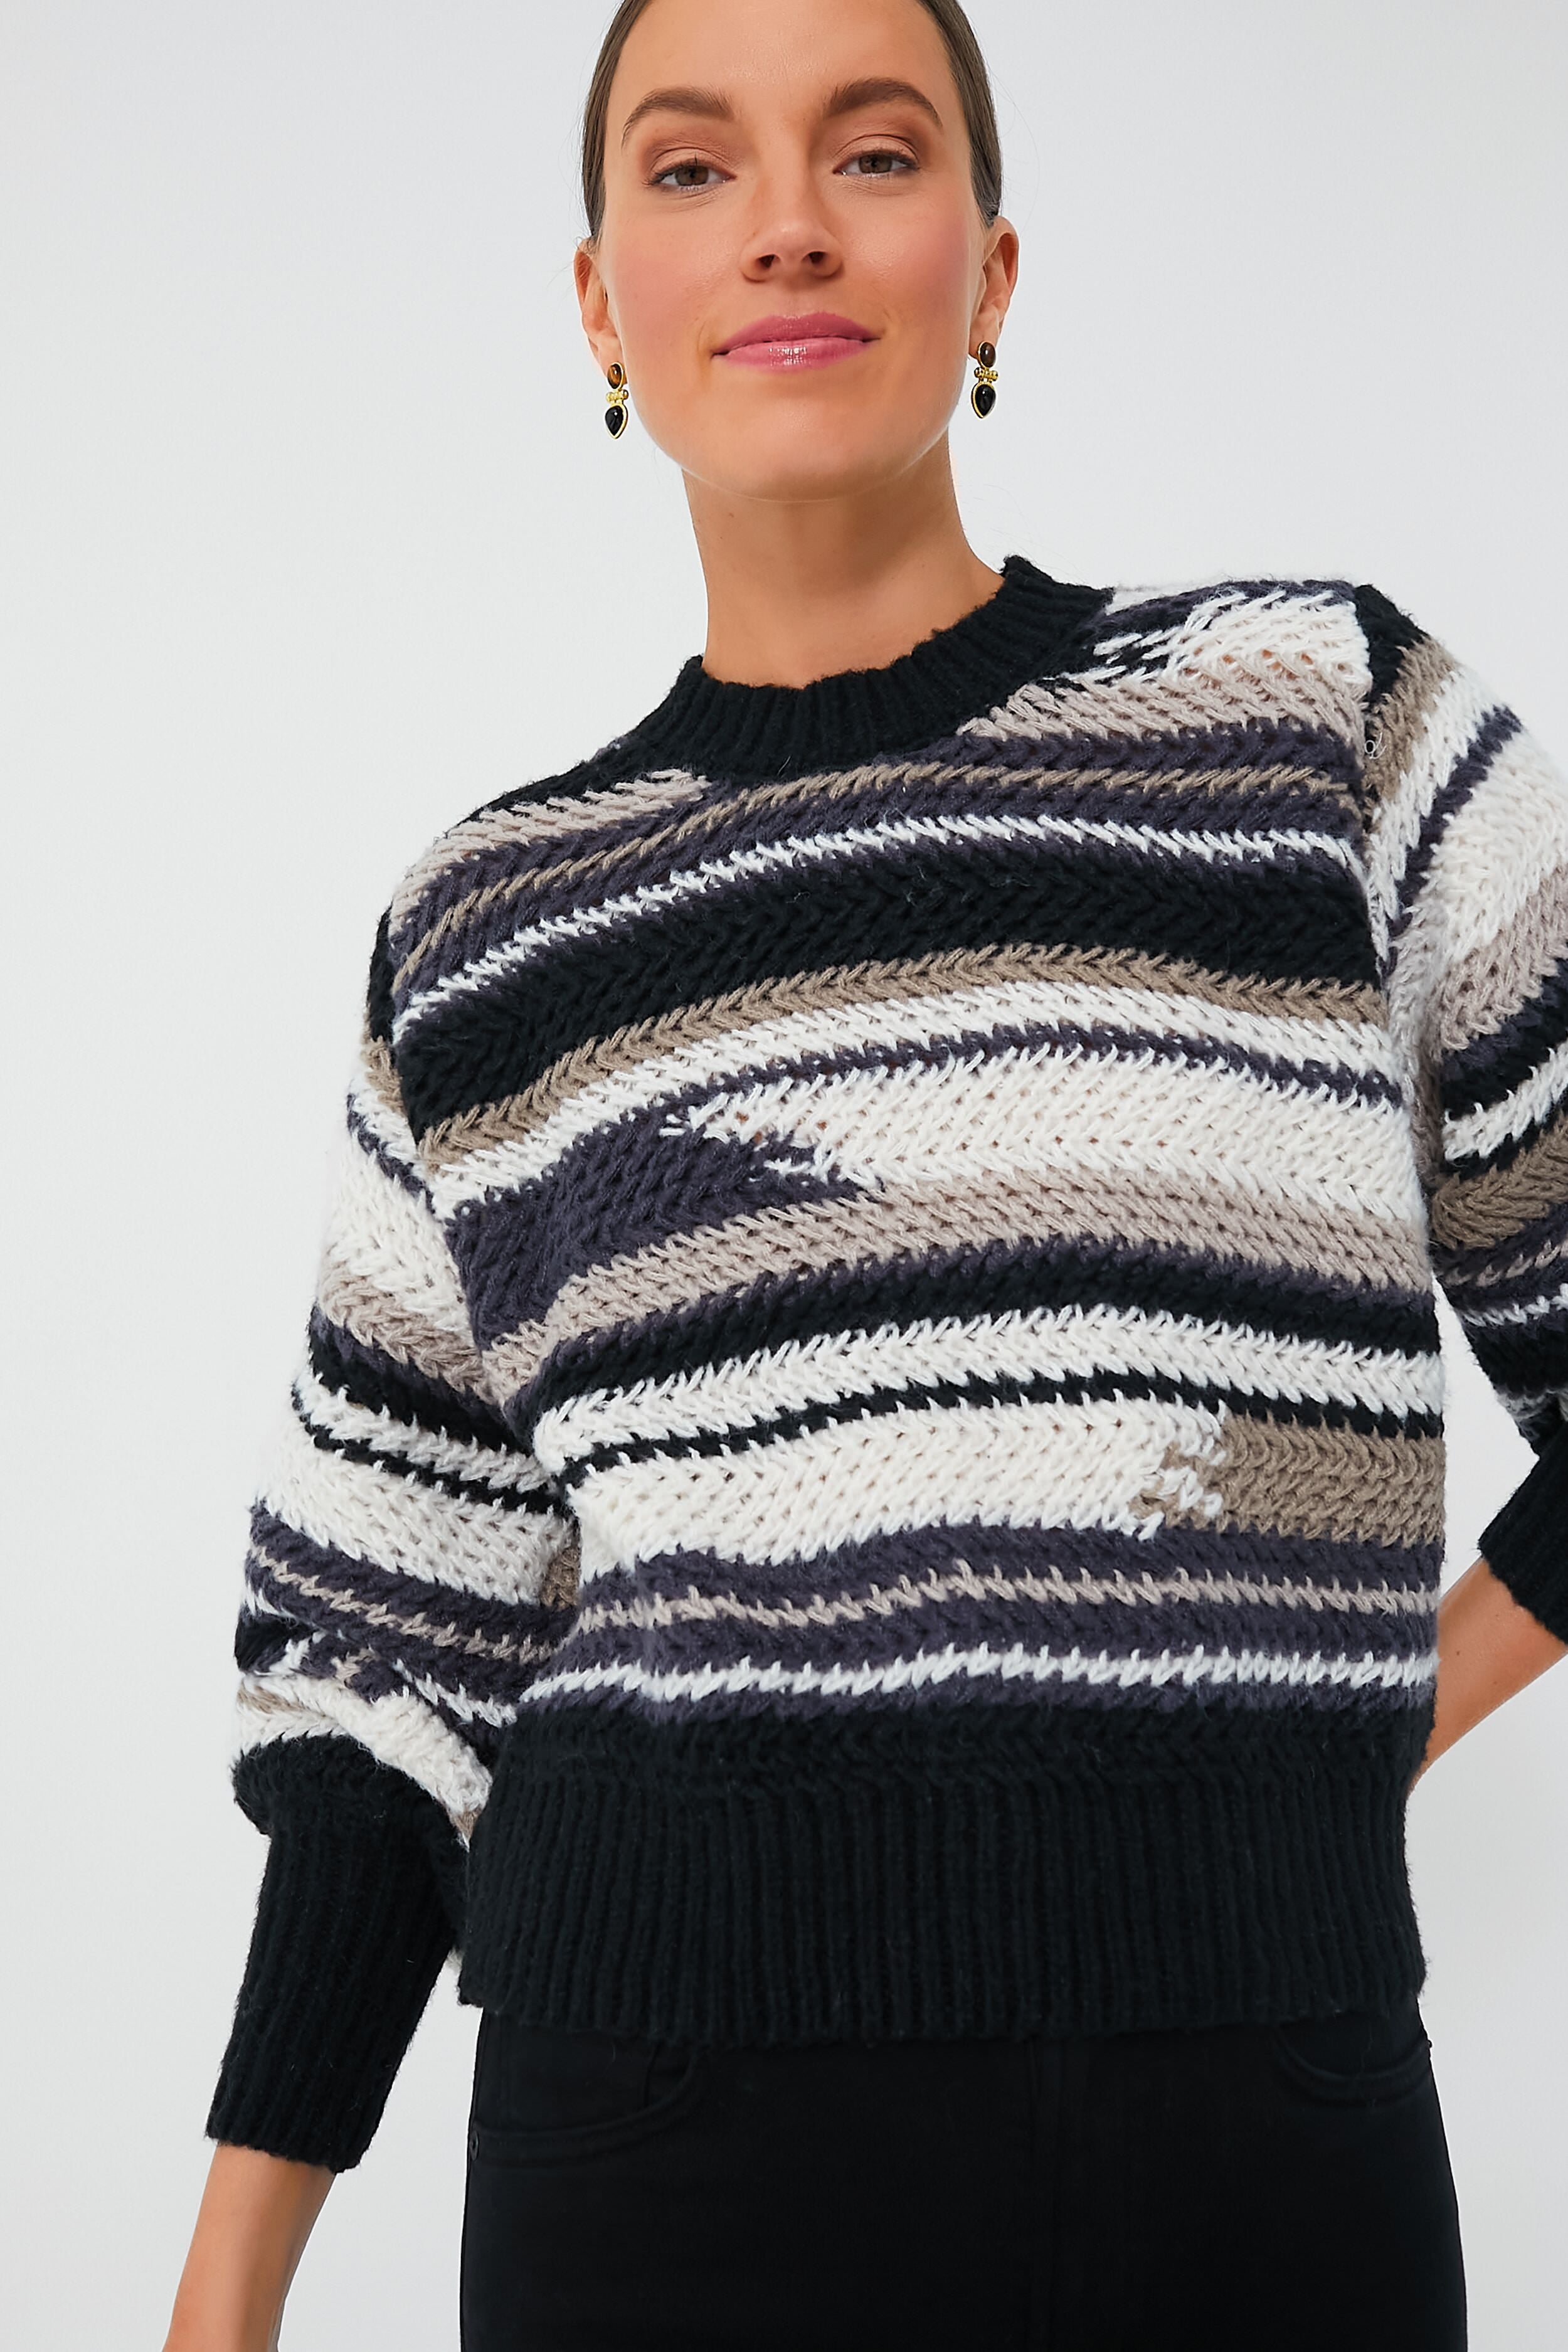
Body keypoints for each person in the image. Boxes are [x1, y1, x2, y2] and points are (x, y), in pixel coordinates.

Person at [164, 1, 1568, 2346]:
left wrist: (1338, 1730)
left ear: (989, 270)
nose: (788, 224)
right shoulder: (490, 930)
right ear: (599, 304)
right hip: (652, 2160)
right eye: (690, 166)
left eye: (877, 150)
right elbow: (385, 1686)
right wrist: (225, 2301)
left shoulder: (1313, 724)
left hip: (1257, 2130)